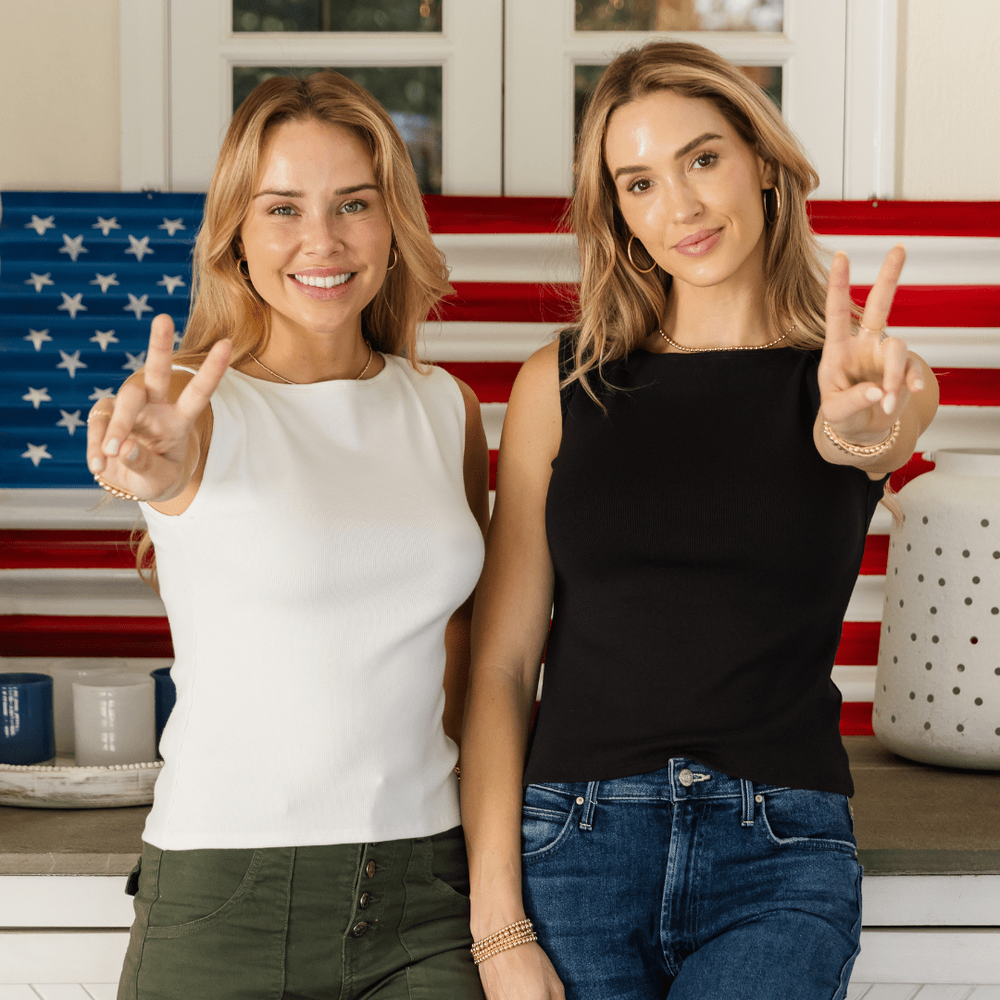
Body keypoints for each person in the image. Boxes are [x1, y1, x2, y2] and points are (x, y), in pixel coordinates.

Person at [459, 41, 938, 1000]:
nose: (677, 206)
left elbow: (875, 439)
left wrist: (854, 425)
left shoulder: (867, 376)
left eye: (703, 159)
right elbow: (505, 666)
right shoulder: (558, 387)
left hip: (780, 854)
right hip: (574, 843)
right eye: (638, 182)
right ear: (620, 214)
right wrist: (497, 926)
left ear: (762, 161)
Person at [86, 71, 489, 1000]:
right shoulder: (196, 408)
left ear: (394, 224)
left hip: (426, 892)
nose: (323, 240)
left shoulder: (445, 410)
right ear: (236, 232)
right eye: (282, 208)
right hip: (227, 898)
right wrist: (137, 464)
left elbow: (464, 643)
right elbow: (149, 463)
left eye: (354, 203)